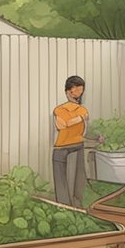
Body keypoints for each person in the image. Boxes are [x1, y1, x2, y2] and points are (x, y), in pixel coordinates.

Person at [53, 75, 89, 208]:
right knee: (66, 182)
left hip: (74, 146)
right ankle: (65, 208)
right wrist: (79, 119)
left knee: (77, 182)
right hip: (63, 147)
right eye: (75, 90)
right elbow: (61, 125)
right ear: (68, 91)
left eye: (80, 90)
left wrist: (74, 121)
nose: (78, 93)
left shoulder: (81, 110)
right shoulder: (61, 110)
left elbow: (64, 125)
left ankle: (74, 208)